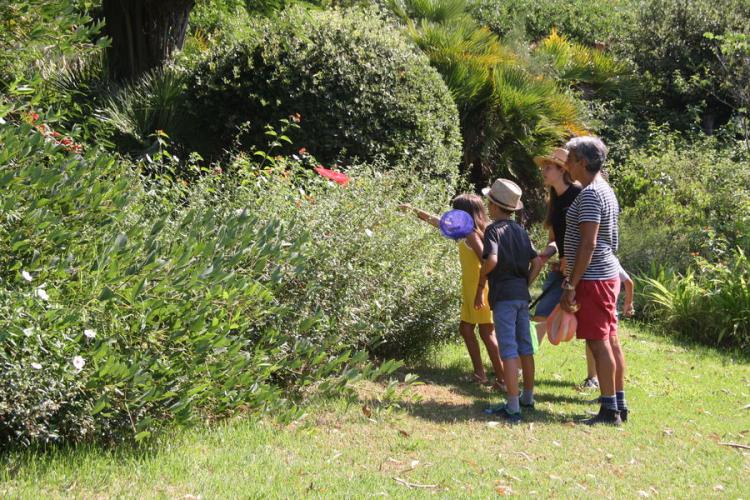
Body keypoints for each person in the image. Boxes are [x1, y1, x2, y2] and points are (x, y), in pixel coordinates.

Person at [400, 195, 506, 391]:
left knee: (486, 333)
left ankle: (503, 379)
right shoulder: (466, 231)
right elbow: (439, 222)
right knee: (466, 330)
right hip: (470, 289)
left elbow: (486, 260)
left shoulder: (473, 234)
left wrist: (480, 290)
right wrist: (413, 211)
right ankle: (480, 374)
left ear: (464, 214)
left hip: (479, 290)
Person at [560, 136, 629, 426]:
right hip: (605, 274)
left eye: (570, 158)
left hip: (593, 277)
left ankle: (609, 410)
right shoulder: (603, 189)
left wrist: (571, 284)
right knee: (610, 340)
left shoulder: (590, 195)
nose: (566, 164)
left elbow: (588, 244)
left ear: (583, 163)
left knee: (599, 343)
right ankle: (618, 405)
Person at [474, 179, 543, 423]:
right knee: (526, 346)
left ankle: (513, 406)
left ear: (493, 205)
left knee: (509, 349)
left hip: (502, 296)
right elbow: (537, 261)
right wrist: (526, 282)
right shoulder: (521, 231)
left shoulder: (493, 230)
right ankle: (528, 397)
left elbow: (491, 260)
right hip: (521, 296)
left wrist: (482, 278)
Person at [531, 148, 582, 346]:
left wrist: (570, 260)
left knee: (592, 327)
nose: (543, 171)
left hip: (583, 269)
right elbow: (554, 239)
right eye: (543, 167)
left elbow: (588, 236)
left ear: (562, 170)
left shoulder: (579, 194)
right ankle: (522, 365)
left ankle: (593, 377)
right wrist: (546, 254)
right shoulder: (553, 198)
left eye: (548, 167)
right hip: (562, 269)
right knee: (541, 313)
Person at [582, 264, 634, 389]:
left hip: (602, 311)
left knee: (599, 345)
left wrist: (629, 303)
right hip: (611, 312)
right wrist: (628, 303)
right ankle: (612, 390)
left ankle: (605, 388)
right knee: (610, 346)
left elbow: (629, 282)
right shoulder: (613, 262)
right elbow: (629, 282)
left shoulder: (604, 262)